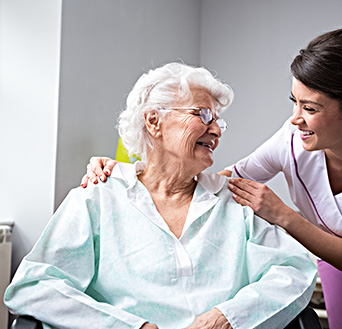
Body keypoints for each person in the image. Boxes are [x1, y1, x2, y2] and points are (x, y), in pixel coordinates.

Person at [82, 27, 342, 329]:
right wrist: (132, 174)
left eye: (310, 108)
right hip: (333, 254)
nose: (294, 118)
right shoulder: (292, 141)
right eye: (295, 101)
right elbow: (224, 182)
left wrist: (281, 213)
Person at [4, 63, 317, 329]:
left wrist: (226, 318)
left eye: (219, 121)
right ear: (154, 121)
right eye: (204, 114)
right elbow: (35, 286)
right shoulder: (97, 198)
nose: (217, 130)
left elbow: (295, 271)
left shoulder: (235, 201)